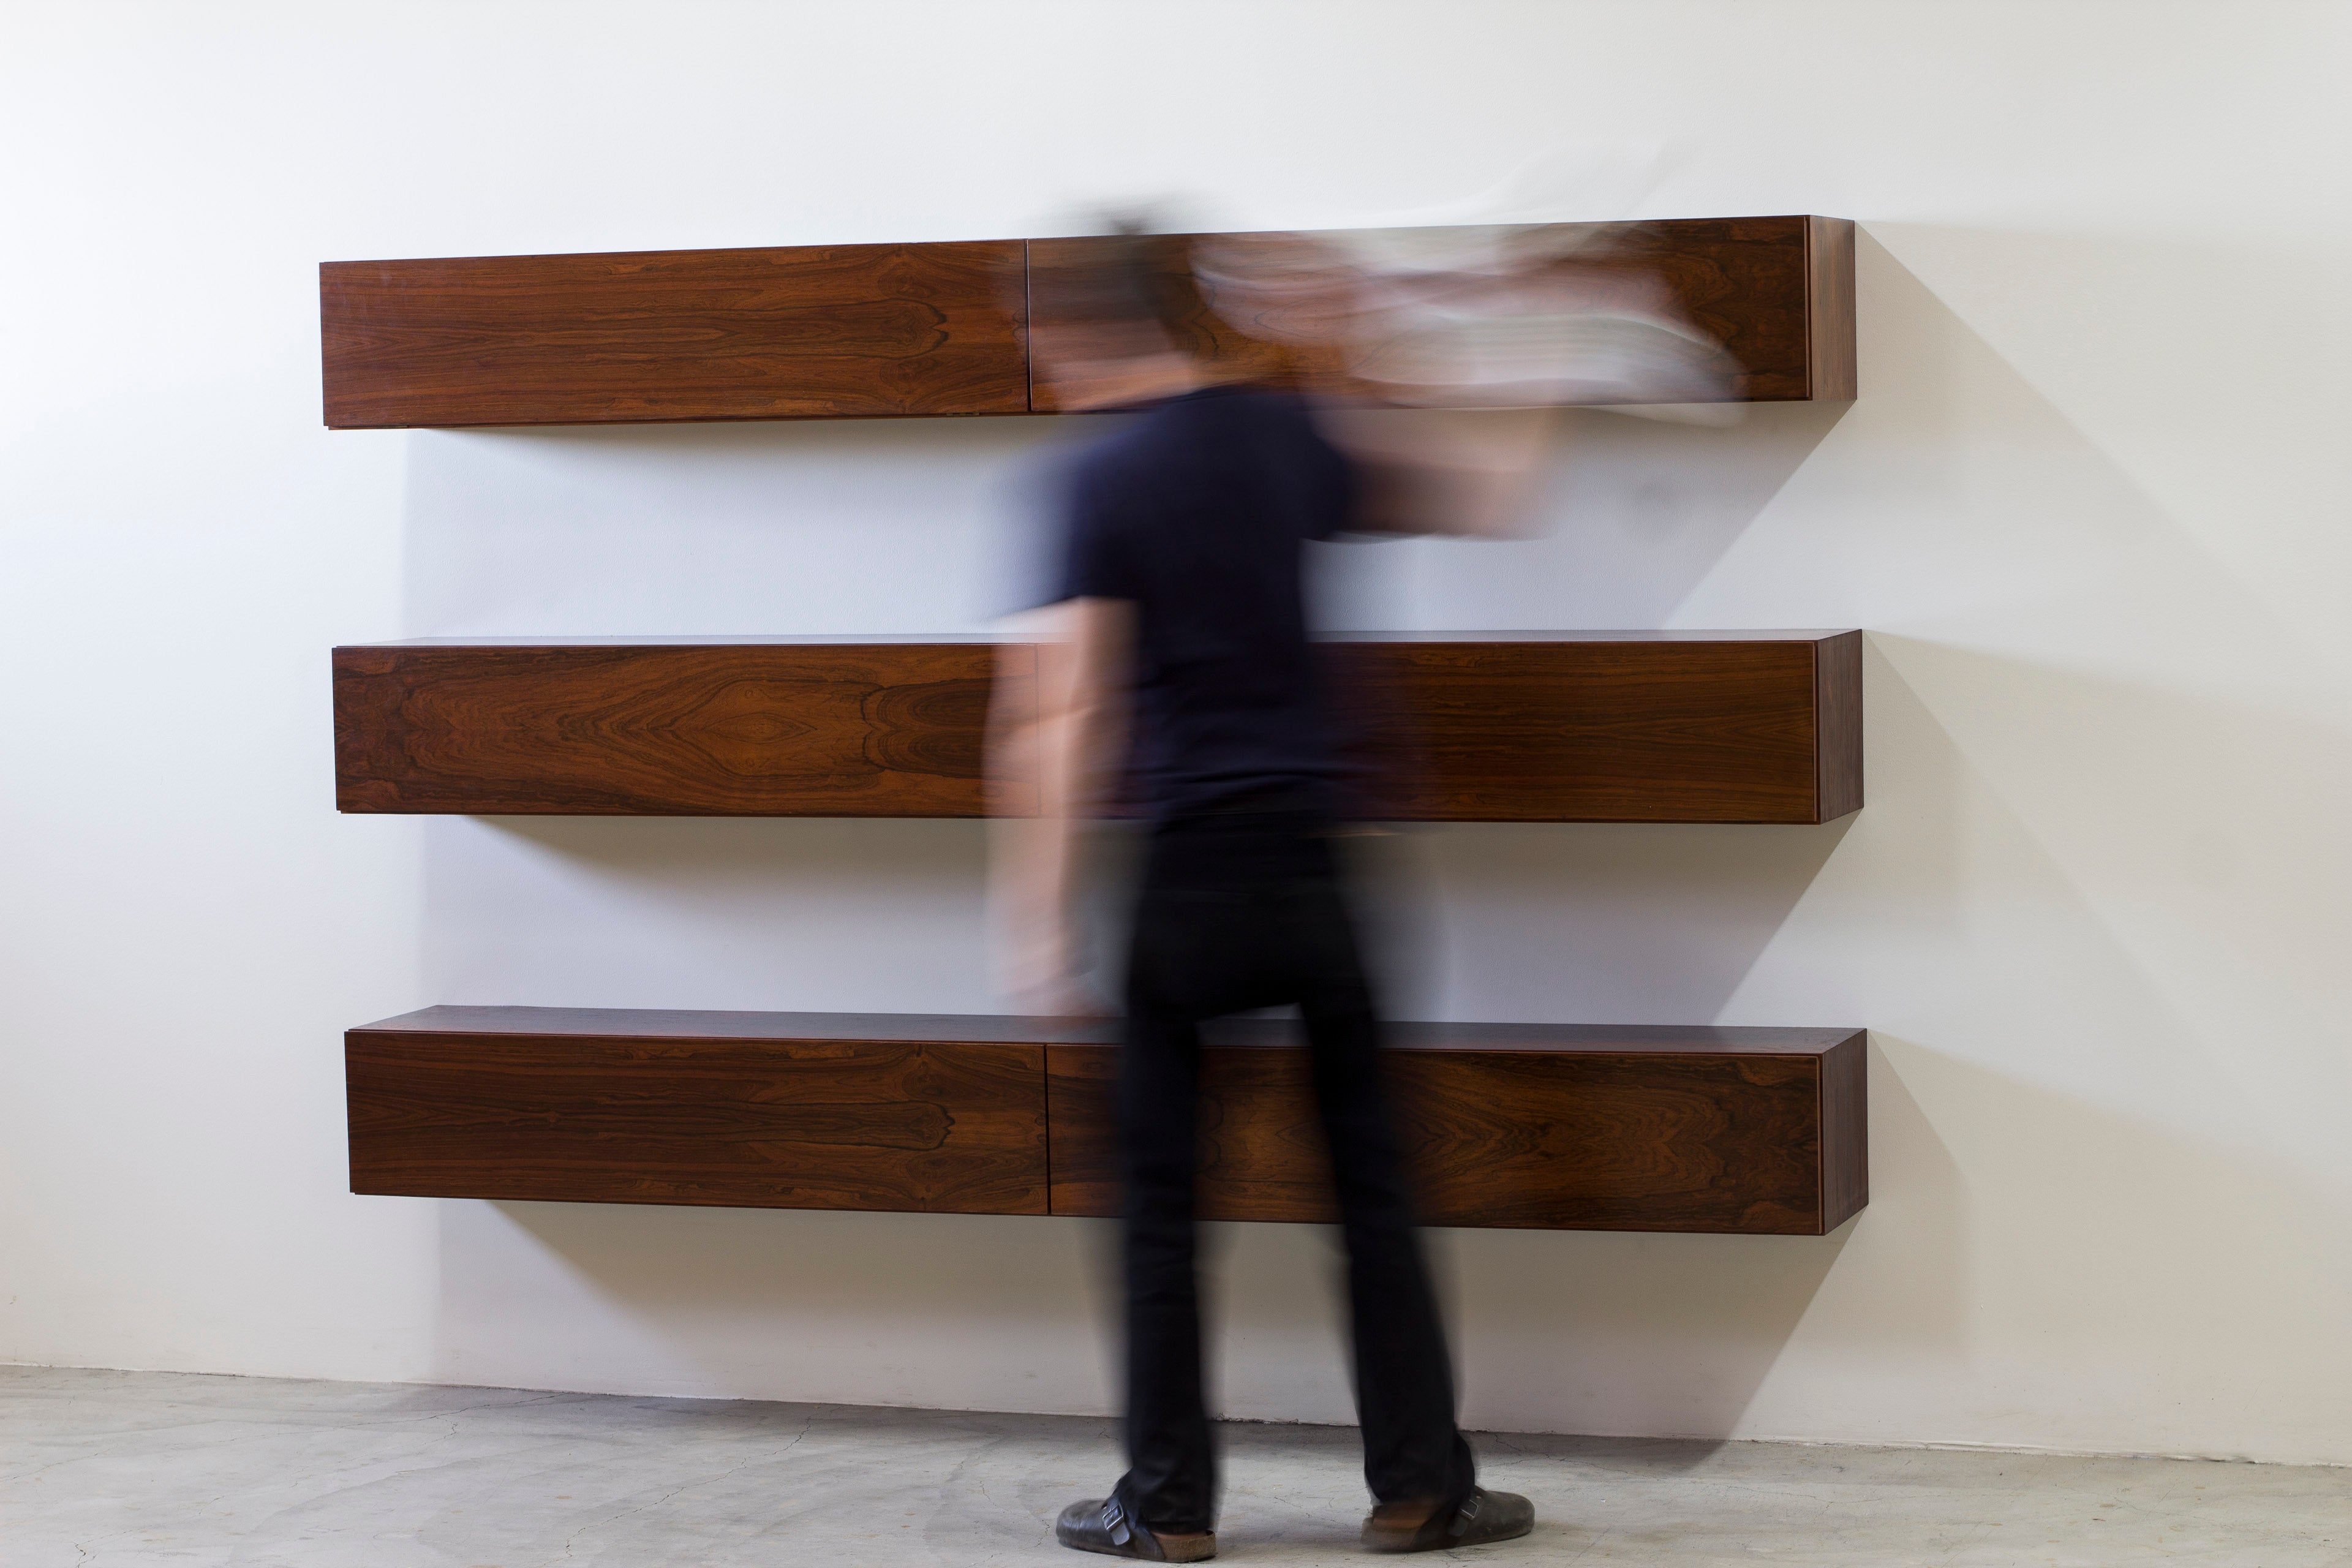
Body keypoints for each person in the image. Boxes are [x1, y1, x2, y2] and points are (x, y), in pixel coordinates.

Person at [989, 228, 1540, 1559]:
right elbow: (1492, 490)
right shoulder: (1286, 435)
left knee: (1163, 1206)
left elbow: (1060, 705)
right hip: (1319, 860)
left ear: (1071, 334)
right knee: (1374, 1191)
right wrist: (1526, 337)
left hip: (1186, 875)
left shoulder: (1090, 474)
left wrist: (1036, 911)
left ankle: (1169, 1506)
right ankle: (1421, 1487)